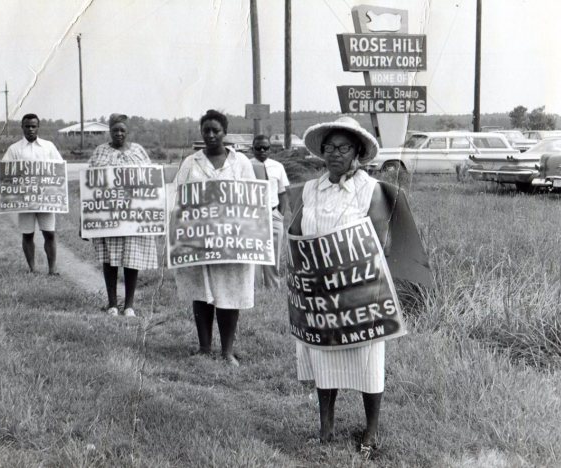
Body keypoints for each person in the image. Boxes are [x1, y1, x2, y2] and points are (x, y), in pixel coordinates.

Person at [289, 116, 410, 458]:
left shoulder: (370, 188)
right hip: (320, 295)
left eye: (343, 148)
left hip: (358, 292)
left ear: (357, 151)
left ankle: (370, 433)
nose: (335, 154)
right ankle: (325, 429)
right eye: (329, 147)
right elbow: (297, 230)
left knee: (367, 360)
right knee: (323, 357)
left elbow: (378, 241)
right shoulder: (312, 188)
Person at [173, 110, 256, 366]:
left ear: (224, 132)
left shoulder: (241, 163)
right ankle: (204, 347)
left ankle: (227, 350)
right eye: (206, 130)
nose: (210, 135)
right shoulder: (191, 163)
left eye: (215, 130)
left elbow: (253, 200)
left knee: (230, 291)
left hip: (233, 241)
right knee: (202, 291)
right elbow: (179, 198)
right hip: (200, 240)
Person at [88, 114, 158, 317]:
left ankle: (129, 305)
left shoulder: (138, 151)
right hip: (108, 216)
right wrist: (87, 221)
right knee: (110, 259)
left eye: (122, 130)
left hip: (133, 217)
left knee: (131, 259)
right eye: (115, 130)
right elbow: (90, 186)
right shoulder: (100, 152)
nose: (119, 133)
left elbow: (150, 181)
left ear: (127, 132)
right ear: (110, 131)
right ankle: (111, 304)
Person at [2, 113, 63, 275]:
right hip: (25, 200)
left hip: (46, 198)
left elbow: (59, 170)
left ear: (38, 127)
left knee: (49, 233)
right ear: (22, 127)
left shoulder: (48, 146)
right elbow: (6, 174)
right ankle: (32, 269)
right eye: (27, 126)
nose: (30, 129)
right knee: (28, 234)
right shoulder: (14, 149)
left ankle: (52, 269)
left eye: (33, 126)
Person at [250, 134, 290, 288]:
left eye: (265, 148)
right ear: (252, 149)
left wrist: (280, 213)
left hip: (273, 214)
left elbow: (282, 192)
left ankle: (272, 286)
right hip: (252, 215)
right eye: (258, 148)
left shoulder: (278, 166)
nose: (262, 151)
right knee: (253, 252)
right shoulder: (246, 166)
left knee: (274, 253)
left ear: (270, 149)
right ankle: (254, 288)